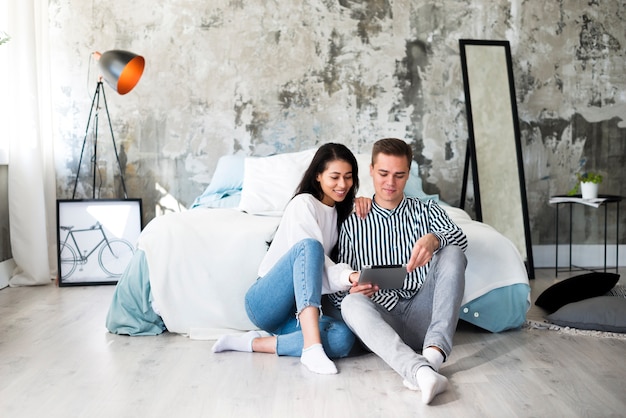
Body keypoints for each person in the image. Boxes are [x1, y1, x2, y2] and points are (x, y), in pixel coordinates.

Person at [328, 138, 468, 404]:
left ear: (408, 173)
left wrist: (434, 239)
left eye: (399, 175)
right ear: (370, 170)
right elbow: (338, 289)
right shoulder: (352, 219)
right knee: (349, 304)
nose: (390, 182)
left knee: (452, 251)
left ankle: (434, 356)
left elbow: (460, 239)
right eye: (383, 174)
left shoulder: (425, 209)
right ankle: (421, 372)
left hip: (423, 314)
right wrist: (355, 288)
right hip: (381, 318)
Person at [212, 143, 370, 375]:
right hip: (266, 302)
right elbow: (313, 261)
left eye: (348, 177)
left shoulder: (340, 213)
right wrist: (349, 276)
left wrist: (362, 201)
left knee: (344, 338)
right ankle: (312, 347)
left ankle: (252, 343)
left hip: (295, 314)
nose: (342, 184)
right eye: (334, 177)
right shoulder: (303, 204)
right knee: (310, 247)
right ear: (318, 176)